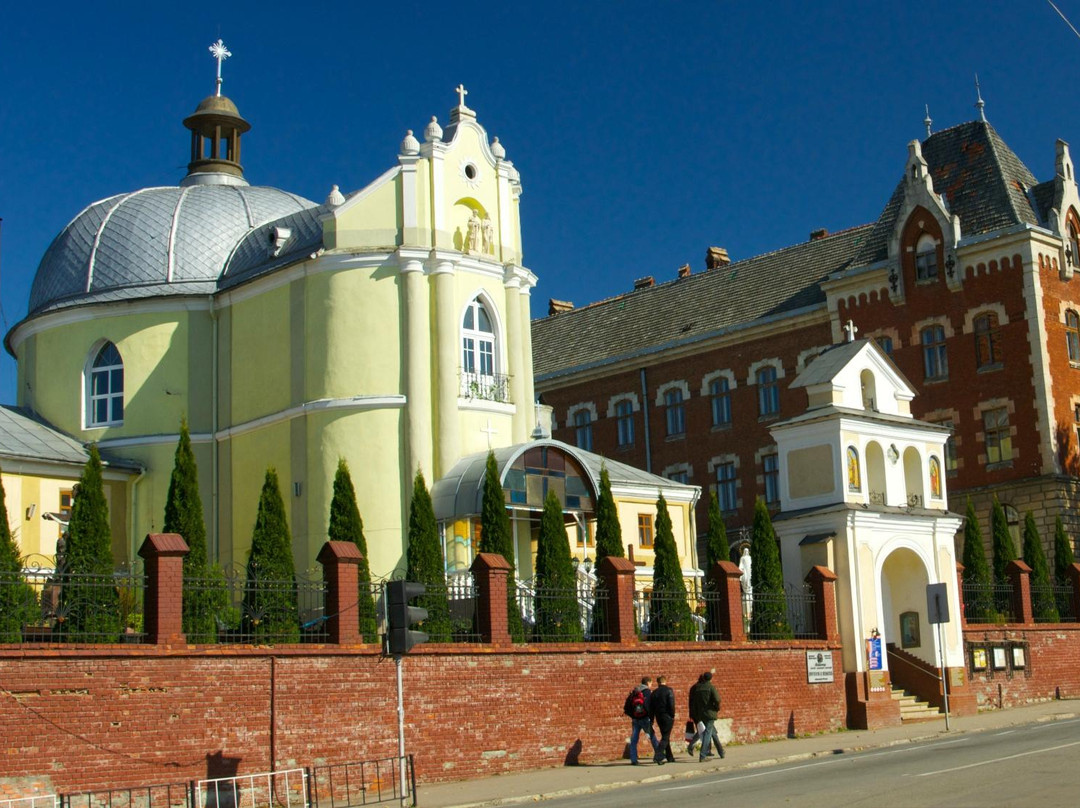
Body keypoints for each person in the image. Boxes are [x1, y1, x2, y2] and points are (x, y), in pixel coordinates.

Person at [689, 671, 725, 761]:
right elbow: (717, 699)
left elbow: (694, 702)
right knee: (707, 733)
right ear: (711, 678)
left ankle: (721, 752)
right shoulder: (710, 687)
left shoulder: (697, 688)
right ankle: (702, 755)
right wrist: (716, 708)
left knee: (712, 732)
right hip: (710, 713)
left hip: (701, 714)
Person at [623, 676, 658, 765]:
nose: (651, 685)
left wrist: (633, 716)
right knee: (652, 736)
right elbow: (649, 706)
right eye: (651, 683)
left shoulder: (635, 691)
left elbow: (628, 705)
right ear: (647, 683)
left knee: (634, 739)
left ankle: (633, 759)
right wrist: (651, 716)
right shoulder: (647, 692)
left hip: (635, 718)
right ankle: (659, 755)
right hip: (645, 718)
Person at [650, 675, 677, 764]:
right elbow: (671, 705)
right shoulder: (669, 690)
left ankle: (670, 757)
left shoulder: (654, 693)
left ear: (658, 682)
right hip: (667, 716)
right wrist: (672, 715)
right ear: (665, 681)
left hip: (658, 716)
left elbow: (652, 707)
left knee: (665, 736)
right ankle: (658, 755)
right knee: (665, 737)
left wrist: (652, 718)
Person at [686, 673, 706, 755]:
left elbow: (690, 702)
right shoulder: (701, 688)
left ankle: (705, 749)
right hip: (700, 713)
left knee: (702, 730)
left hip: (694, 713)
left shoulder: (693, 687)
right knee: (703, 730)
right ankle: (691, 746)